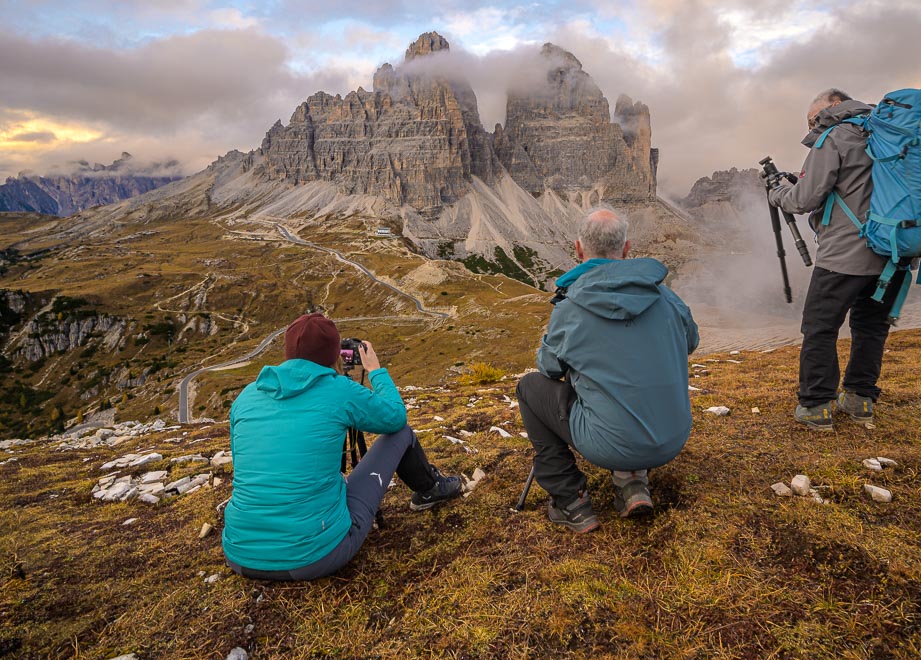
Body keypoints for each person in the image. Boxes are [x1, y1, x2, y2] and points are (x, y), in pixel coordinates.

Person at [222, 313, 462, 580]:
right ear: (334, 354)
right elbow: (395, 417)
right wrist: (376, 371)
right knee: (400, 433)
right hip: (314, 556)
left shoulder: (246, 396)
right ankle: (429, 491)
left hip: (239, 554)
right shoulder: (338, 390)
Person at [516, 207, 700, 533]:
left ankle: (570, 500)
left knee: (530, 388)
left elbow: (547, 367)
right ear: (627, 249)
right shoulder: (668, 298)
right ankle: (633, 484)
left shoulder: (571, 307)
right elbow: (690, 342)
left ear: (578, 249)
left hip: (608, 444)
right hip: (672, 437)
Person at [766, 88, 905, 432]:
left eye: (814, 119)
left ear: (833, 106)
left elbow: (804, 199)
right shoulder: (888, 132)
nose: (813, 126)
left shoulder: (835, 136)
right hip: (895, 252)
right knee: (871, 327)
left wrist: (777, 192)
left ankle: (816, 405)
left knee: (820, 327)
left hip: (845, 254)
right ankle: (860, 400)